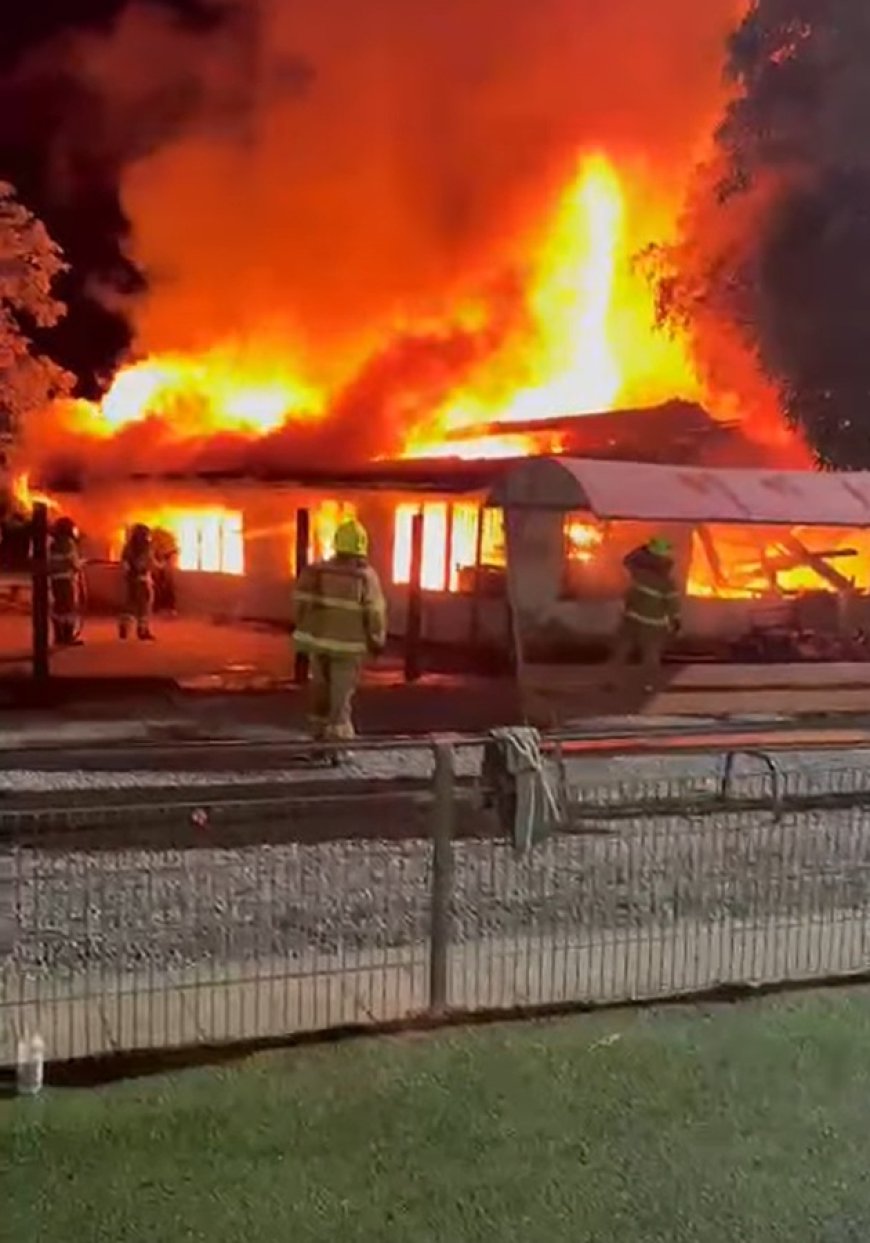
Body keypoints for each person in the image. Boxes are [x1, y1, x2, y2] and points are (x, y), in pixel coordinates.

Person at [292, 518, 387, 741]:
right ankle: (337, 745)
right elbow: (375, 613)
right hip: (348, 649)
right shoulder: (365, 576)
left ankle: (317, 739)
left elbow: (300, 605)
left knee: (320, 692)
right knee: (340, 698)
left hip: (319, 645)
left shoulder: (317, 571)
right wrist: (377, 641)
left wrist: (304, 634)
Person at [607, 535, 681, 691]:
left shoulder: (640, 573)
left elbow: (628, 560)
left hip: (635, 621)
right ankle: (648, 684)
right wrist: (675, 621)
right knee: (647, 656)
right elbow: (672, 604)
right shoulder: (665, 581)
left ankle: (614, 681)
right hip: (650, 625)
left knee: (624, 652)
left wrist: (643, 548)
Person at [48, 516, 85, 646]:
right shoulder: (68, 543)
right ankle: (68, 636)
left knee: (59, 607)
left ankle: (59, 636)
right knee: (68, 607)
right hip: (67, 579)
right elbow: (73, 562)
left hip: (55, 579)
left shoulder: (52, 543)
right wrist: (80, 564)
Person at [119, 523, 156, 641]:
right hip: (143, 580)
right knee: (144, 606)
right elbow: (150, 563)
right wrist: (160, 565)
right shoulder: (147, 547)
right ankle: (142, 630)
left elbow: (124, 563)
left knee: (130, 604)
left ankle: (124, 625)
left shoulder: (128, 547)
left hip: (131, 580)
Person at [152, 527, 179, 615]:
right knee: (157, 586)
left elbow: (172, 555)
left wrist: (164, 565)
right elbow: (152, 556)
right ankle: (159, 606)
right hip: (158, 568)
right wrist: (158, 564)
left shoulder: (169, 546)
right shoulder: (154, 545)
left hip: (166, 567)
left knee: (168, 585)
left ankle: (170, 607)